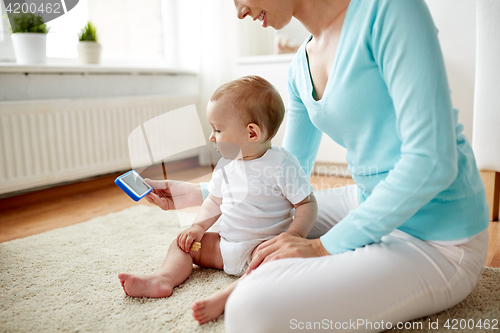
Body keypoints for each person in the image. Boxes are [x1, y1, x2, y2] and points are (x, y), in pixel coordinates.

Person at [145, 0, 491, 332]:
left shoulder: (390, 9)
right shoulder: (300, 67)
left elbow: (432, 162)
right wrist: (195, 193)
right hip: (368, 199)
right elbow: (280, 174)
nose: (239, 11)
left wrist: (322, 247)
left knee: (251, 313)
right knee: (272, 224)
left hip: (439, 238)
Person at [118, 76, 318, 325]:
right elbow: (214, 201)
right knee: (183, 244)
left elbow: (307, 204)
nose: (211, 137)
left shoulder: (282, 164)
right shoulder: (226, 164)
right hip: (222, 248)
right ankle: (164, 279)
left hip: (260, 249)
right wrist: (198, 227)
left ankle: (226, 298)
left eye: (218, 129)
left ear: (252, 132)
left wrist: (295, 234)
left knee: (272, 266)